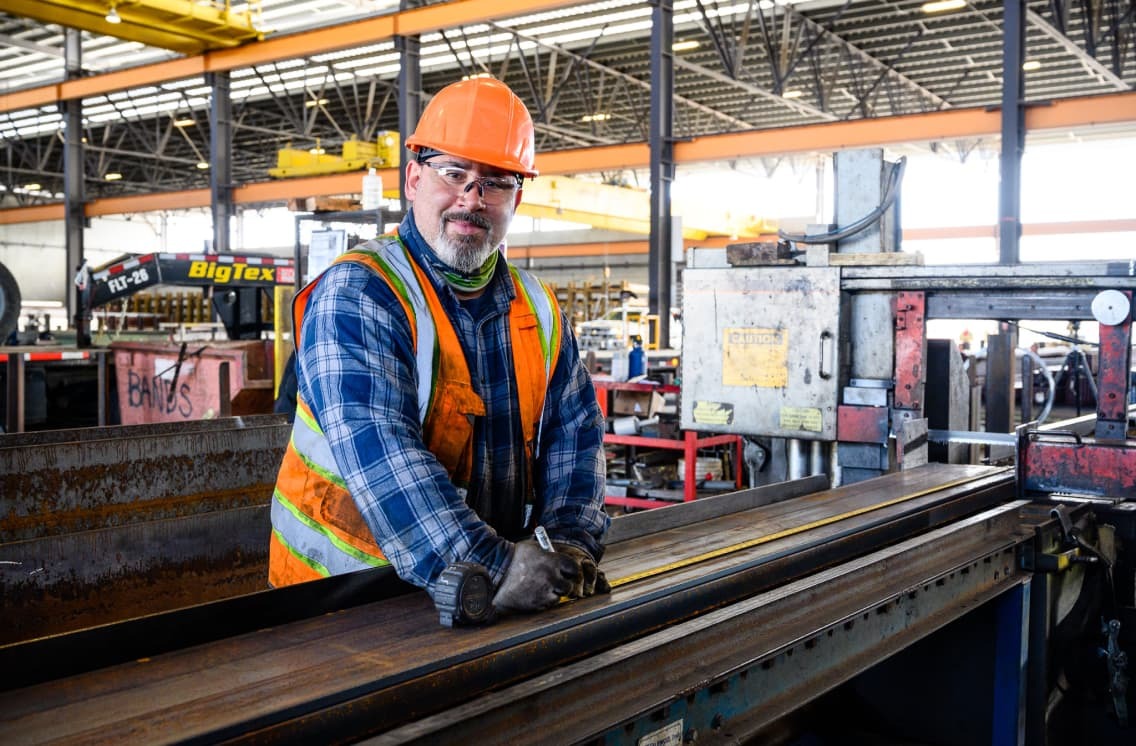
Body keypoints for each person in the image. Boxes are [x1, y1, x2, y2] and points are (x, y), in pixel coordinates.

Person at [269, 77, 610, 615]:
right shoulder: (360, 291)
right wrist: (499, 565)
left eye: (495, 183)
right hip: (341, 606)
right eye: (454, 174)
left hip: (480, 606)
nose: (471, 199)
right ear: (413, 178)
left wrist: (569, 545)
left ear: (517, 197)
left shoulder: (538, 308)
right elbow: (382, 453)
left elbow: (577, 435)